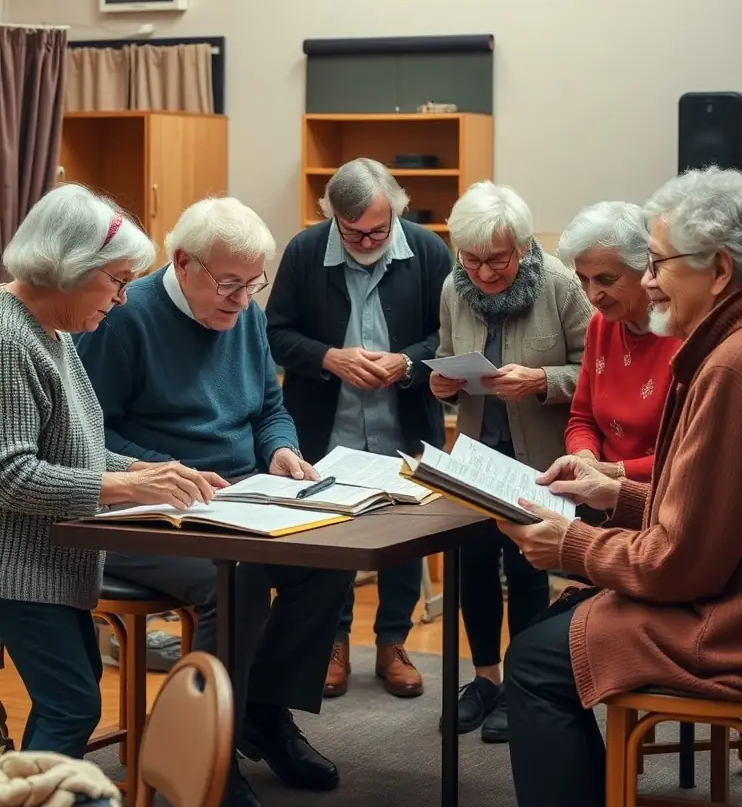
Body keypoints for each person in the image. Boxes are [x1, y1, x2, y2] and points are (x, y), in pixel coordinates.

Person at [501, 167, 742, 807]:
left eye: (656, 263)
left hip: (736, 622)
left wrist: (568, 546)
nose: (647, 281)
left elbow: (679, 564)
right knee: (549, 634)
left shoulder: (735, 364)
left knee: (534, 662)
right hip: (737, 587)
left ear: (720, 270)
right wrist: (614, 497)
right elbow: (715, 515)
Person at [75, 197, 353, 807]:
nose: (243, 298)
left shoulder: (243, 312)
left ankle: (259, 711)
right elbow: (87, 435)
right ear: (182, 263)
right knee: (237, 579)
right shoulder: (122, 318)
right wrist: (164, 470)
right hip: (141, 512)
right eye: (229, 283)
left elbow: (267, 410)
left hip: (237, 499)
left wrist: (279, 450)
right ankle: (207, 756)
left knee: (329, 558)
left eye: (254, 283)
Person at [0, 185, 220, 759]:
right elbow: (12, 475)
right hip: (15, 570)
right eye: (118, 280)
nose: (125, 298)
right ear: (71, 269)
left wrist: (153, 470)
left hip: (51, 564)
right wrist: (124, 484)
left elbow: (75, 450)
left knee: (72, 701)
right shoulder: (7, 337)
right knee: (71, 704)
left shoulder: (55, 329)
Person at [266, 158, 453, 699]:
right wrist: (328, 357)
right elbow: (276, 334)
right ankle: (334, 641)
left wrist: (407, 364)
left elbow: (448, 335)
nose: (369, 240)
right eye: (354, 233)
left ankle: (393, 642)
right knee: (332, 541)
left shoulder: (426, 249)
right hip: (328, 429)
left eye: (379, 228)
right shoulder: (305, 251)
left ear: (395, 210)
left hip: (404, 425)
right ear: (332, 219)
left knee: (401, 537)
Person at [430, 181, 592, 742]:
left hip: (539, 460)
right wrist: (442, 383)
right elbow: (450, 361)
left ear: (522, 247)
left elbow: (593, 374)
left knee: (525, 570)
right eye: (471, 260)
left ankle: (521, 686)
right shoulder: (454, 288)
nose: (484, 273)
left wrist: (543, 380)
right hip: (476, 456)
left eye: (496, 260)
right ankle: (485, 680)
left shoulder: (561, 286)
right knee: (471, 567)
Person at [556, 202, 680, 483]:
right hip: (601, 492)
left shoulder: (684, 334)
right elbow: (582, 419)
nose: (593, 295)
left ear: (647, 269)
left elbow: (688, 454)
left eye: (606, 280)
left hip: (663, 497)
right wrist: (584, 459)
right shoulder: (601, 326)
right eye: (583, 280)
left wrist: (615, 473)